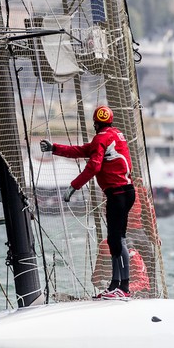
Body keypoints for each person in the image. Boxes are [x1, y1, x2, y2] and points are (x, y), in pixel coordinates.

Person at [40, 105, 136, 299]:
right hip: (124, 192)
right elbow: (83, 150)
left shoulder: (101, 138)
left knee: (117, 240)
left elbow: (93, 166)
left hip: (118, 194)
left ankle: (123, 288)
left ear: (95, 123)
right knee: (115, 240)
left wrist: (73, 186)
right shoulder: (115, 134)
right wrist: (55, 148)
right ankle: (115, 285)